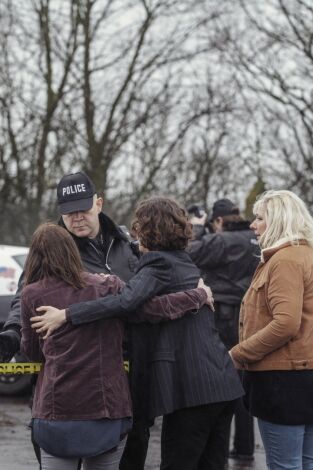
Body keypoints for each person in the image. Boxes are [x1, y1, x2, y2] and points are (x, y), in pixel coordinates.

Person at [0, 172, 208, 470]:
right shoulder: (53, 251)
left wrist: (194, 296)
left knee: (131, 449)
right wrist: (11, 332)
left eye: (82, 209)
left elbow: (148, 301)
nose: (76, 218)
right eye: (69, 212)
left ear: (98, 203)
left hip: (130, 371)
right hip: (69, 382)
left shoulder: (129, 245)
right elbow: (25, 298)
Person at [31, 196, 244, 470]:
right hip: (222, 384)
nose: (134, 231)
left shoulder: (157, 264)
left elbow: (126, 303)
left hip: (193, 390)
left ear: (148, 229)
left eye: (138, 226)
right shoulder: (183, 261)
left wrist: (67, 314)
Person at [228, 190, 313, 470]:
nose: (253, 224)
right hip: (302, 375)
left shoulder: (285, 260)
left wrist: (239, 353)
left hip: (284, 382)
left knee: (285, 465)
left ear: (279, 220)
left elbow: (286, 323)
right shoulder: (306, 255)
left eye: (260, 218)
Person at [188, 198, 259, 461]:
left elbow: (185, 253)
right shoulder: (256, 239)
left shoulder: (220, 241)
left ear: (218, 221)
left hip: (223, 317)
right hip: (251, 316)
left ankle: (215, 447)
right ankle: (244, 447)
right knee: (242, 378)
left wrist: (195, 229)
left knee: (220, 380)